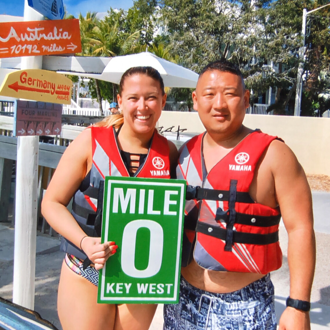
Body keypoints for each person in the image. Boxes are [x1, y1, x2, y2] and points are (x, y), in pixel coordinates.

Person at [163, 60, 315, 330]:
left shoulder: (274, 154)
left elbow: (301, 228)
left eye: (230, 94)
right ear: (195, 100)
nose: (219, 104)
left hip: (243, 306)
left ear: (246, 99)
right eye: (209, 94)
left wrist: (298, 306)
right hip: (180, 299)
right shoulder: (183, 152)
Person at [41, 66, 178, 330]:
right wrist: (84, 242)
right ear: (120, 101)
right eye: (133, 98)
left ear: (162, 100)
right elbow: (51, 203)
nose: (143, 106)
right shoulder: (90, 142)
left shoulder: (168, 152)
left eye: (151, 97)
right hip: (87, 268)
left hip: (141, 279)